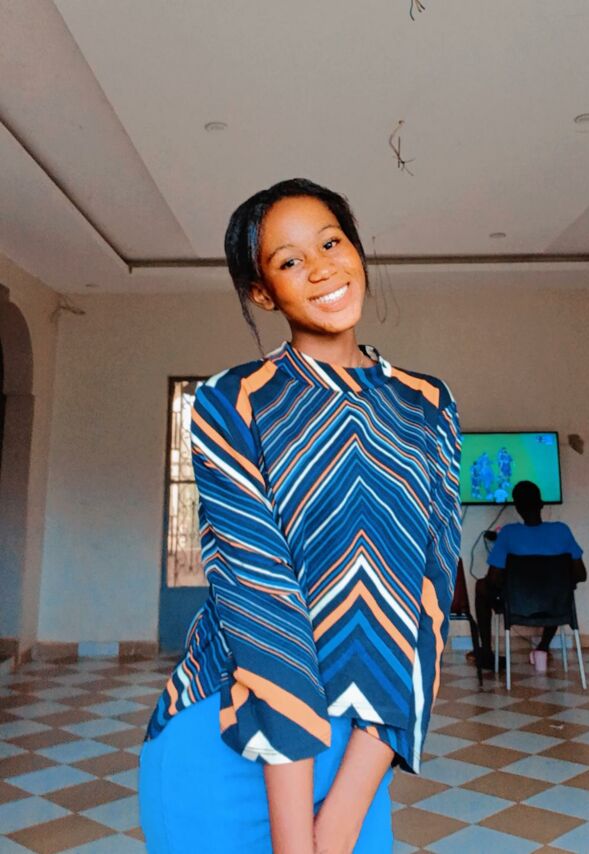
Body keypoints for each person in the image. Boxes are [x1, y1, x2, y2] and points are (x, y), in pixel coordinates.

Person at [138, 178, 462, 853]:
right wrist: (298, 841)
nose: (320, 268)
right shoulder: (234, 400)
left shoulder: (428, 404)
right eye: (289, 261)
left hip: (360, 756)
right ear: (263, 293)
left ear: (357, 251)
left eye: (331, 243)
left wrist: (345, 811)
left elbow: (429, 602)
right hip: (229, 743)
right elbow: (261, 603)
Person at [472, 480, 586, 670]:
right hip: (556, 605)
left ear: (517, 507)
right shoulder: (562, 531)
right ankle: (543, 646)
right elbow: (581, 575)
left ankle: (487, 653)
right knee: (558, 590)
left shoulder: (508, 534)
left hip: (518, 605)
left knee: (481, 586)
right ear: (541, 504)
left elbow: (493, 579)